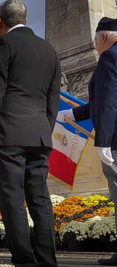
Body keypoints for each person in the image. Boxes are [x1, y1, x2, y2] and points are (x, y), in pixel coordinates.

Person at [0, 0, 60, 267]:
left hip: (8, 135)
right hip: (39, 134)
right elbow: (53, 99)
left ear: (1, 21)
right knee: (40, 200)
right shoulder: (49, 50)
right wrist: (44, 130)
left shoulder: (1, 44)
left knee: (12, 200)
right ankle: (47, 261)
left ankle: (24, 262)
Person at [57, 17, 117, 266]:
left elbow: (109, 101)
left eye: (95, 40)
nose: (95, 45)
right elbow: (102, 101)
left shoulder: (109, 57)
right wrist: (73, 114)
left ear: (103, 36)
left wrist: (103, 141)